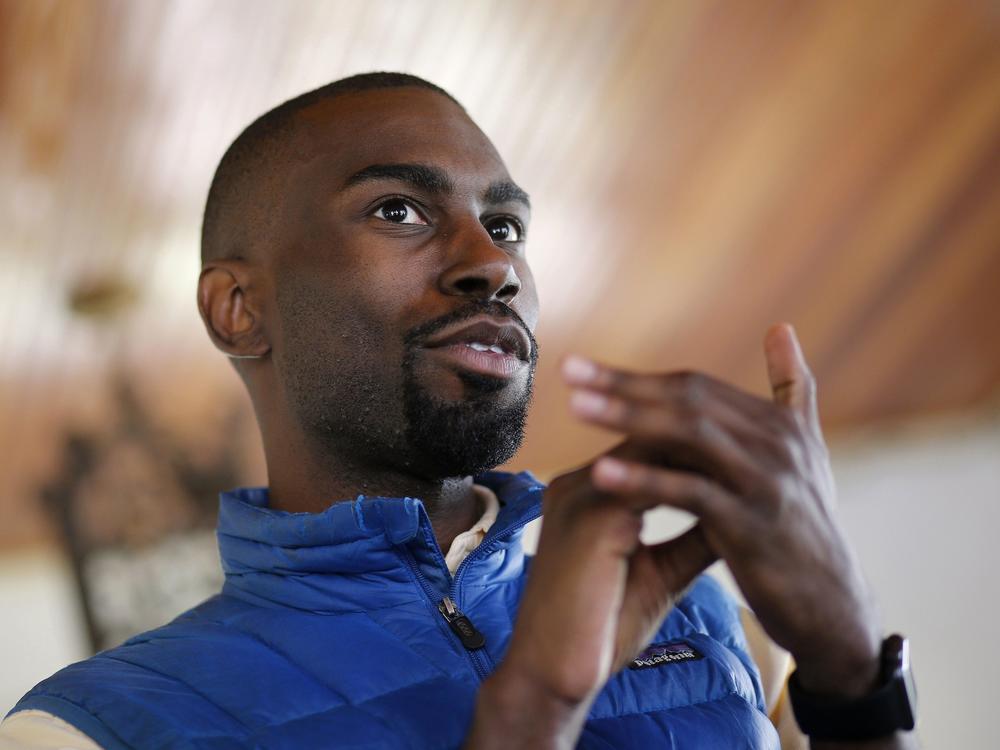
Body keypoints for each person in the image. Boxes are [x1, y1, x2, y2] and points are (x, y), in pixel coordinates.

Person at [1, 73, 917, 749]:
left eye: (508, 225)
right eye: (398, 210)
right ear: (239, 311)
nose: (494, 263)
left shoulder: (707, 617)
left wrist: (849, 668)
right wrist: (530, 719)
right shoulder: (89, 728)